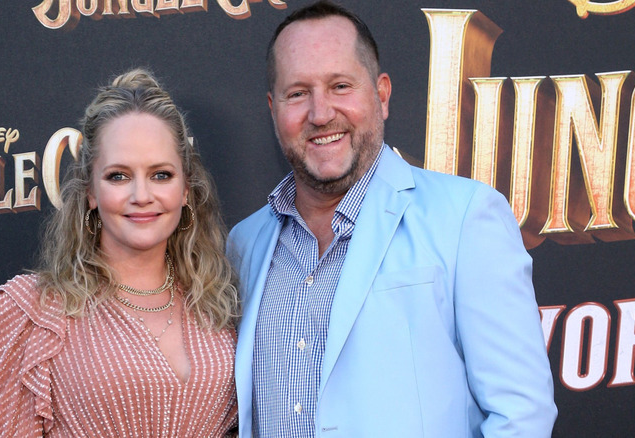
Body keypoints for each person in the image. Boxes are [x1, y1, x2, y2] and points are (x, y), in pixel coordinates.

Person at [227, 1, 557, 437]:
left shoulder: (465, 218)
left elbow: (522, 417)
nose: (320, 113)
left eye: (340, 86)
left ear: (381, 95)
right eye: (298, 93)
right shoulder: (245, 244)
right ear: (273, 109)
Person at [0, 68, 239, 437]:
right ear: (90, 192)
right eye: (118, 176)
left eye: (161, 174)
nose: (141, 195)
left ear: (186, 189)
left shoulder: (218, 303)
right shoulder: (36, 311)